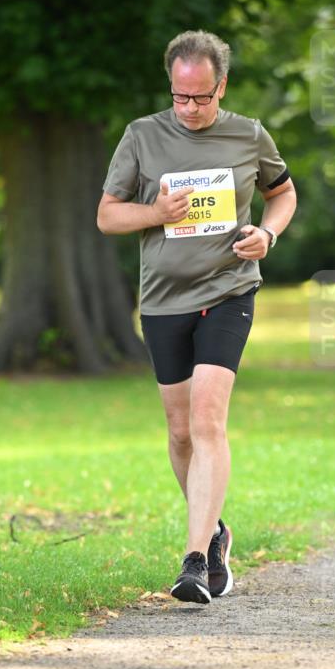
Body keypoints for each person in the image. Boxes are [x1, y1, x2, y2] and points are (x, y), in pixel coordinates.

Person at [97, 30, 296, 604]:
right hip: (162, 300)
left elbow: (283, 195)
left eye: (201, 98)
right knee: (180, 431)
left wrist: (267, 233)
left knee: (208, 421)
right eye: (180, 97)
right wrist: (154, 211)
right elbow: (108, 217)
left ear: (221, 86)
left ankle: (193, 561)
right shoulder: (141, 136)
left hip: (229, 290)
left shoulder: (248, 135)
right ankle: (216, 533)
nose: (189, 109)